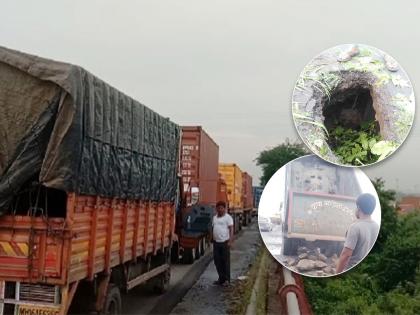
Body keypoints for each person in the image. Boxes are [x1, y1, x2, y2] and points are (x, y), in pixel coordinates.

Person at [336, 193, 380, 273]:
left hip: (353, 271)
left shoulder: (355, 227)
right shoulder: (376, 226)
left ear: (358, 207)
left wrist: (337, 273)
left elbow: (345, 255)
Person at [212, 201, 234, 286]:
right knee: (217, 261)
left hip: (225, 242)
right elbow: (213, 228)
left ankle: (227, 280)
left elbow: (231, 229)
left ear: (224, 209)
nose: (220, 210)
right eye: (218, 208)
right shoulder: (214, 218)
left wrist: (230, 241)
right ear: (216, 209)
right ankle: (221, 278)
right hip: (216, 243)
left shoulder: (228, 218)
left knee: (225, 262)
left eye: (222, 208)